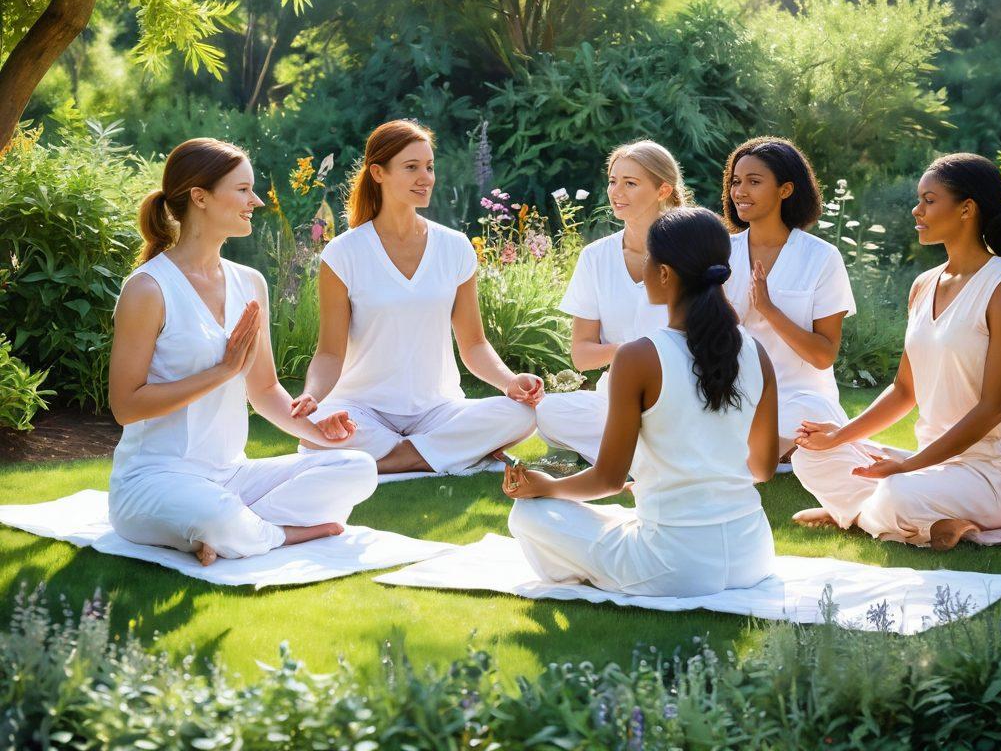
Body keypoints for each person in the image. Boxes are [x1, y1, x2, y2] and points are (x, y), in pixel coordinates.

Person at [108, 139, 377, 566]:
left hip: (233, 476)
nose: (255, 201)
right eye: (243, 190)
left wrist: (315, 429)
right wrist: (222, 371)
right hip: (155, 481)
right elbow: (125, 406)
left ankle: (234, 530)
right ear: (200, 197)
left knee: (358, 468)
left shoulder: (249, 282)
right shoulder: (148, 289)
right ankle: (280, 533)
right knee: (214, 514)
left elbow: (266, 388)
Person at [503, 208, 778, 597]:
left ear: (664, 274)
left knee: (530, 513)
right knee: (611, 519)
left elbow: (608, 480)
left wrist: (546, 486)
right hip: (753, 555)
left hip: (673, 566)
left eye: (649, 259)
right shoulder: (756, 352)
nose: (644, 267)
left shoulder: (638, 357)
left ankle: (584, 572)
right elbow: (763, 468)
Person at [792, 153, 1001, 551]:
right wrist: (840, 435)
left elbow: (993, 408)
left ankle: (860, 513)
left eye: (929, 199)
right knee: (812, 457)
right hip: (935, 464)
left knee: (898, 494)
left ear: (967, 209)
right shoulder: (924, 285)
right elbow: (905, 389)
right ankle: (887, 516)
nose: (916, 210)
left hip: (994, 474)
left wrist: (907, 467)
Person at [297, 120, 541, 474]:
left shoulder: (455, 247)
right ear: (378, 173)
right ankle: (440, 454)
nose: (425, 177)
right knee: (314, 427)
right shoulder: (343, 253)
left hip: (437, 410)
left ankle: (389, 460)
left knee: (521, 413)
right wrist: (312, 397)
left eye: (429, 166)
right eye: (411, 168)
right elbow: (330, 353)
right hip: (362, 408)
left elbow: (473, 345)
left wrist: (510, 382)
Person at [535, 140, 690, 463]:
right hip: (616, 397)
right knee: (547, 411)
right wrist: (630, 352)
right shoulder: (595, 257)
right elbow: (582, 355)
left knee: (669, 424)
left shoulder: (692, 251)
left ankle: (627, 457)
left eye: (630, 183)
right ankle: (647, 458)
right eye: (613, 181)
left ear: (663, 190)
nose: (616, 192)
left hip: (681, 397)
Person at [722, 137, 856, 473]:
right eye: (736, 182)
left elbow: (823, 355)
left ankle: (769, 452)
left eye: (754, 182)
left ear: (785, 190)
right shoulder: (721, 250)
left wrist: (768, 309)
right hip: (733, 394)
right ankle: (774, 454)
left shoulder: (821, 257)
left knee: (802, 419)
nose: (740, 191)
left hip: (799, 399)